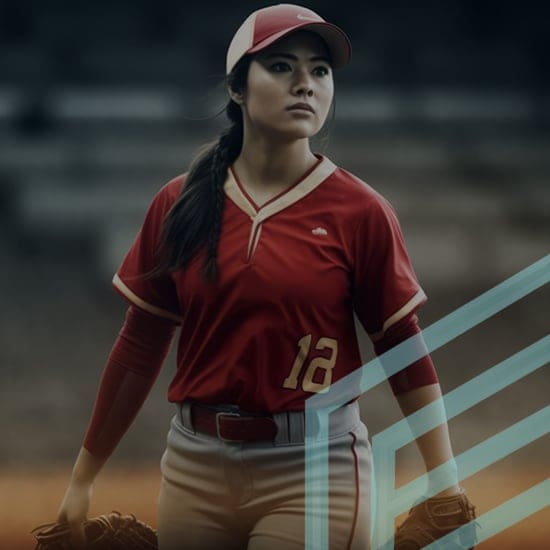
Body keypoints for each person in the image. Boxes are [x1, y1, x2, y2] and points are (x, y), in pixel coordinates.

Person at [57, 4, 473, 549]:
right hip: (193, 463)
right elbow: (141, 342)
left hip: (316, 468)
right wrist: (83, 478)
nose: (305, 83)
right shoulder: (179, 202)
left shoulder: (360, 211)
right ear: (237, 87)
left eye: (319, 71)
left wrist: (444, 481)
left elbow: (402, 345)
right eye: (281, 66)